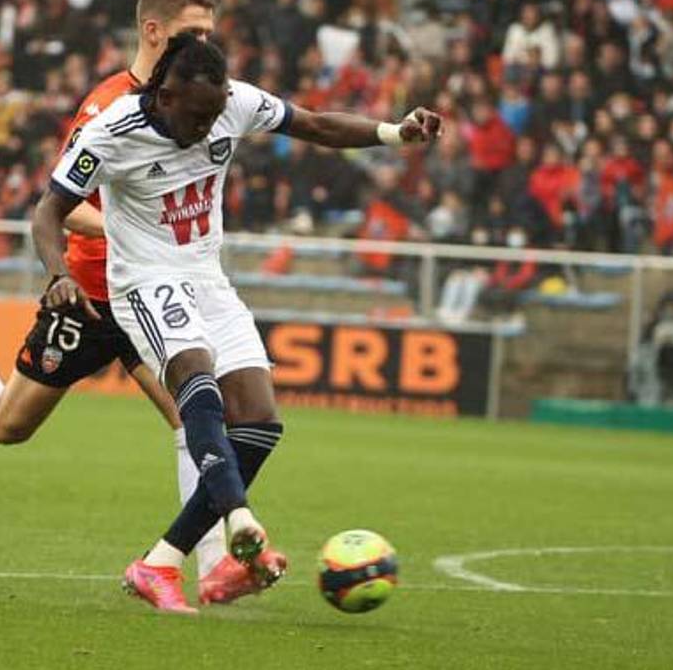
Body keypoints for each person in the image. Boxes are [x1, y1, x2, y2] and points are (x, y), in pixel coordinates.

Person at [0, 0, 247, 602]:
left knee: (191, 413)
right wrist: (141, 227)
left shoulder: (194, 100)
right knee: (8, 426)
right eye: (190, 35)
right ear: (152, 33)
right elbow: (61, 206)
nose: (204, 47)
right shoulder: (109, 106)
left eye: (208, 35)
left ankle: (210, 565)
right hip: (94, 297)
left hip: (149, 295)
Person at [39, 33, 442, 613]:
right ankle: (239, 521)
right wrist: (57, 274)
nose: (209, 127)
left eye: (216, 112)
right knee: (197, 383)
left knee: (260, 421)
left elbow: (319, 126)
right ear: (166, 94)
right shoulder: (111, 133)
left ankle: (159, 562)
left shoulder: (233, 103)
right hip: (145, 281)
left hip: (208, 278)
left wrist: (392, 133)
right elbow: (48, 209)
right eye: (198, 114)